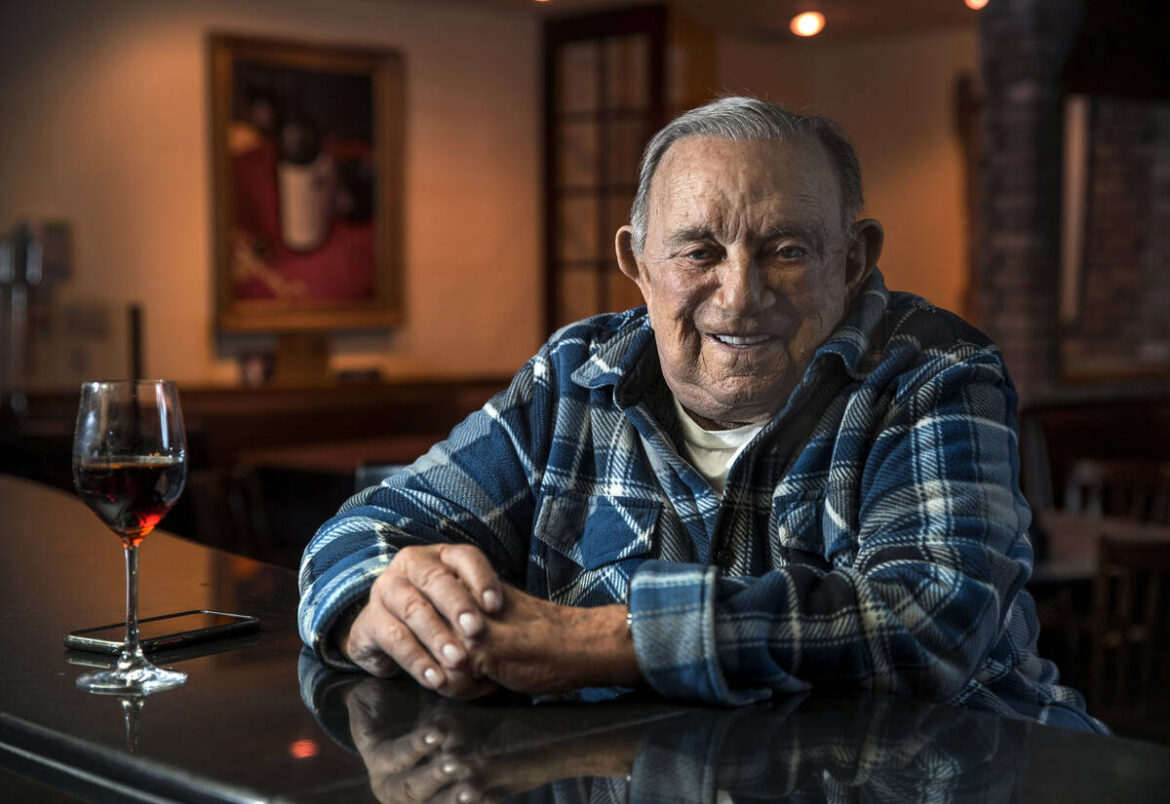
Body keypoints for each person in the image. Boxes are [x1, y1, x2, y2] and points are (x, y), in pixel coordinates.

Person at [298, 96, 1104, 731]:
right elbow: (360, 531)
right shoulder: (574, 377)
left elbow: (928, 621)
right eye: (699, 252)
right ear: (639, 266)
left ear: (853, 262)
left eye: (786, 249)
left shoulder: (935, 373)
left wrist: (599, 642)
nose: (741, 294)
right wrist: (378, 610)